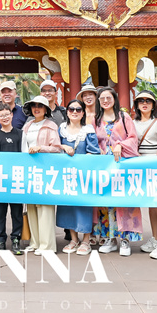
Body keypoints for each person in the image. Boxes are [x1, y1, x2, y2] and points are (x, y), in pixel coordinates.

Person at [93, 87, 142, 256]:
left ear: (114, 99)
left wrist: (120, 145)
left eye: (109, 97)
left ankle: (125, 240)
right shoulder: (96, 119)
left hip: (122, 164)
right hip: (103, 166)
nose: (105, 101)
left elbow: (133, 138)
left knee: (124, 201)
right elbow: (92, 140)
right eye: (102, 98)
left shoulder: (123, 117)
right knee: (106, 202)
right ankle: (109, 238)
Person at [132, 90, 157, 260]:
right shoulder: (132, 122)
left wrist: (154, 166)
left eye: (148, 101)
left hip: (154, 165)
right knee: (150, 203)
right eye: (141, 100)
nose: (144, 103)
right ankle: (155, 238)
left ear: (153, 104)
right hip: (138, 165)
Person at [0, 80, 29, 241]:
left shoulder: (23, 113)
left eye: (9, 91)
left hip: (17, 172)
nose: (6, 94)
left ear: (15, 93)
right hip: (0, 171)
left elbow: (24, 147)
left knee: (16, 208)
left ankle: (16, 237)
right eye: (3, 91)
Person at [56, 99, 99, 256]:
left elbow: (94, 151)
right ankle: (73, 239)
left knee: (84, 207)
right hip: (65, 176)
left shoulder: (88, 130)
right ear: (67, 112)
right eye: (71, 109)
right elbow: (54, 146)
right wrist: (62, 146)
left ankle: (86, 240)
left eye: (78, 109)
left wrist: (82, 161)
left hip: (83, 176)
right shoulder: (61, 129)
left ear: (83, 113)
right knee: (68, 206)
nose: (74, 112)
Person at [22, 95, 62, 254]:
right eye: (34, 105)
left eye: (40, 105)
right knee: (31, 206)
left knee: (45, 207)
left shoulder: (51, 125)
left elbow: (57, 148)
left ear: (46, 109)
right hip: (29, 170)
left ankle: (47, 245)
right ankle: (35, 242)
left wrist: (41, 147)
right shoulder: (27, 125)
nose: (36, 108)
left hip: (45, 170)